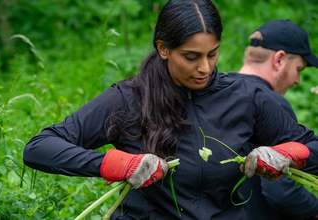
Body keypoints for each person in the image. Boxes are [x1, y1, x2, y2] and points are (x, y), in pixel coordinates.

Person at [23, 1, 318, 219]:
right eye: (191, 57)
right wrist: (117, 165)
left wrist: (289, 155)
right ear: (163, 48)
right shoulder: (129, 98)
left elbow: (312, 147)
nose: (204, 67)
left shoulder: (246, 97)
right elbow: (39, 148)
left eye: (212, 54)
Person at [227, 19, 318, 220]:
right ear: (279, 60)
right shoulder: (272, 103)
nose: (297, 81)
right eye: (299, 70)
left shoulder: (216, 93)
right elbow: (282, 193)